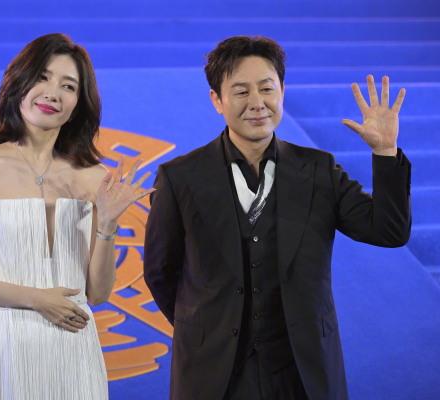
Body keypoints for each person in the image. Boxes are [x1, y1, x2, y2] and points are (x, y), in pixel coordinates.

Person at [143, 36, 411, 400]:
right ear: (216, 100)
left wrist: (385, 152)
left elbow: (389, 230)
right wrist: (204, 327)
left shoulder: (318, 171)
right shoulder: (180, 177)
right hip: (213, 374)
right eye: (241, 91)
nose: (257, 102)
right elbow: (159, 270)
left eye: (267, 88)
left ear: (282, 91)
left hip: (303, 371)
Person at [0, 33, 152, 400]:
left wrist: (108, 226)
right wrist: (36, 298)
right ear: (19, 83)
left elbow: (97, 293)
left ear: (78, 104)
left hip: (74, 346)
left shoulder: (95, 177)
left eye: (68, 86)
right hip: (2, 343)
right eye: (43, 78)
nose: (53, 93)